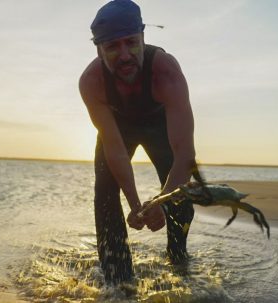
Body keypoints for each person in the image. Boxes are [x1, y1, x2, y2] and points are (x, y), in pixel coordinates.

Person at [79, 0, 196, 284]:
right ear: (99, 50)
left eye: (131, 42)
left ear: (143, 38)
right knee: (105, 192)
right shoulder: (91, 82)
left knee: (180, 197)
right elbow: (115, 150)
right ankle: (117, 279)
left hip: (159, 126)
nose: (124, 55)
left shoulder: (165, 71)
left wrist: (160, 203)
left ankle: (179, 262)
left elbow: (185, 155)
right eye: (112, 47)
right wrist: (136, 205)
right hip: (119, 128)